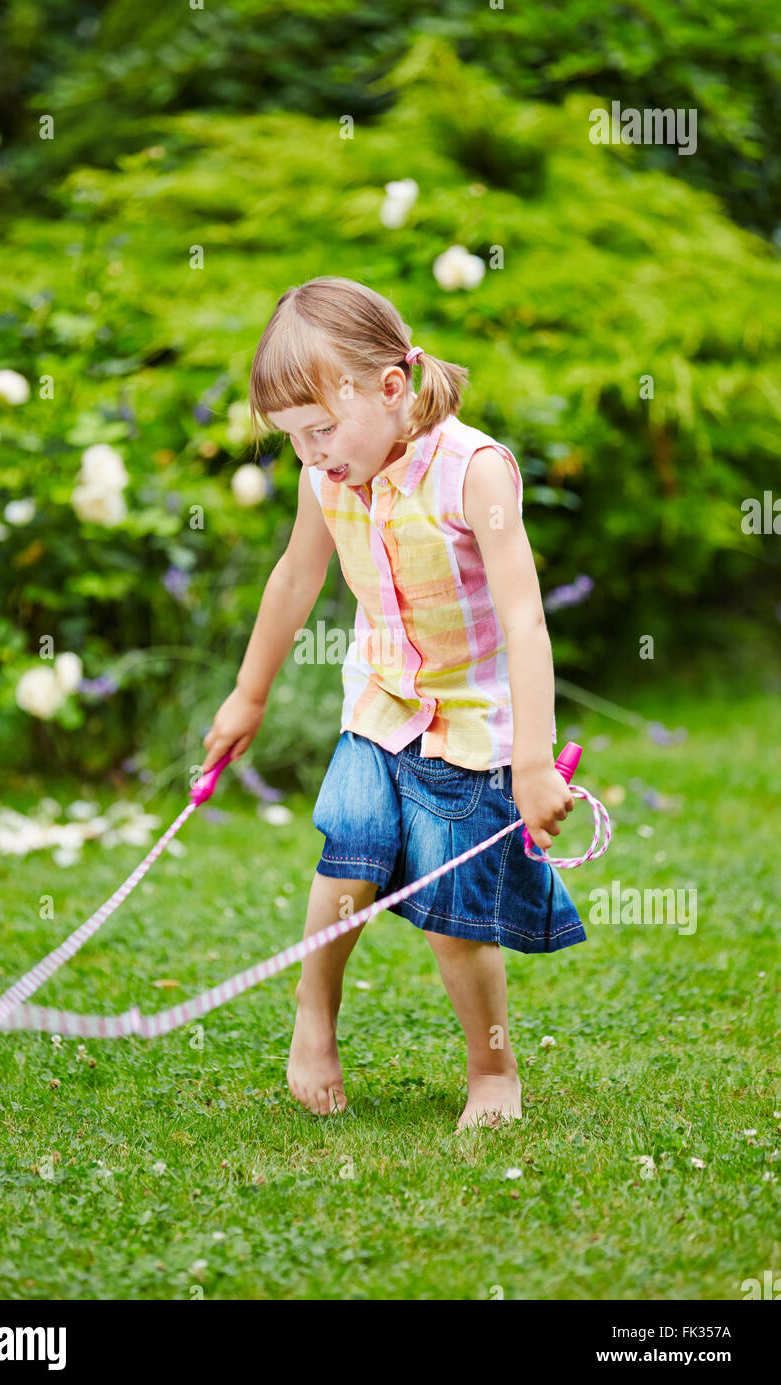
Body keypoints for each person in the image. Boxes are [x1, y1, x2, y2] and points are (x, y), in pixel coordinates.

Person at [202, 276, 581, 1132]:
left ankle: (491, 1069)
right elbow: (295, 580)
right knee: (351, 852)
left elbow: (525, 620)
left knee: (456, 920)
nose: (313, 454)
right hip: (380, 706)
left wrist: (531, 760)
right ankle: (314, 1013)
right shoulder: (328, 482)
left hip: (474, 725)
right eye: (296, 439)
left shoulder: (474, 473)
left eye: (322, 430)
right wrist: (247, 695)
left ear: (391, 387)